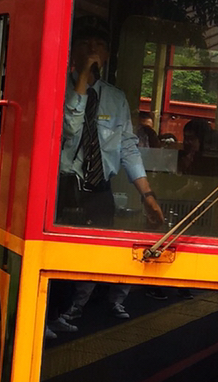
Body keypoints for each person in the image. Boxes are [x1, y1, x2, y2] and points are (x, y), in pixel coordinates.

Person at [52, 20, 164, 335]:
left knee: (93, 254)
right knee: (60, 253)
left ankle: (69, 312)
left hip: (99, 189)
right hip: (64, 186)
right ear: (72, 51)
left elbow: (127, 147)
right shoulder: (59, 89)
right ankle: (49, 311)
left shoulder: (115, 99)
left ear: (106, 55)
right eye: (85, 44)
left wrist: (147, 195)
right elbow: (68, 127)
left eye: (99, 46)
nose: (92, 50)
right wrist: (81, 82)